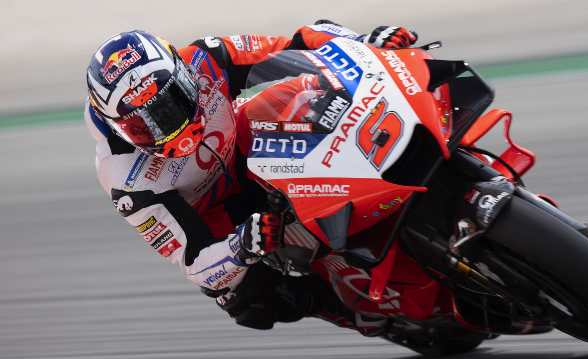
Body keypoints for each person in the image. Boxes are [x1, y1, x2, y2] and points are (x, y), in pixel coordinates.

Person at [84, 21, 418, 331]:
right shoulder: (127, 182)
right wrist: (240, 245)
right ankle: (338, 306)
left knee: (307, 92)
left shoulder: (206, 57)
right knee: (243, 297)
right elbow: (196, 263)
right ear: (116, 127)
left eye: (173, 100)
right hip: (221, 216)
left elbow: (298, 41)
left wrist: (361, 43)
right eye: (144, 124)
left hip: (252, 147)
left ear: (184, 73)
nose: (172, 127)